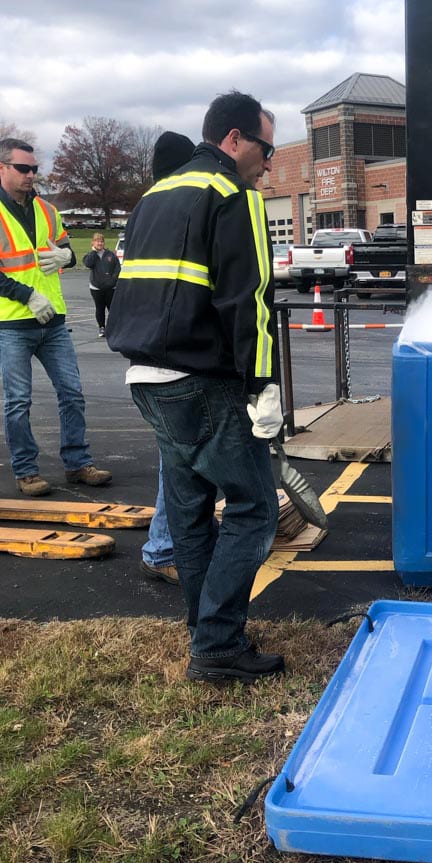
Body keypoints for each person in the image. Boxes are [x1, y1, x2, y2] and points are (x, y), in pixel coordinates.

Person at [107, 92, 284, 683]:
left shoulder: (154, 196)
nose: (268, 161)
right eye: (265, 147)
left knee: (188, 511)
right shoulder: (234, 195)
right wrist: (264, 386)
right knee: (255, 506)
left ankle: (204, 633)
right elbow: (247, 302)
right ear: (233, 140)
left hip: (147, 378)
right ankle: (216, 645)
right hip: (202, 380)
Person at [0, 137, 112, 497]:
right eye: (23, 168)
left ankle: (77, 463)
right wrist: (26, 295)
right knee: (18, 402)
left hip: (54, 321)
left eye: (34, 169)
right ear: (3, 168)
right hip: (12, 323)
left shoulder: (47, 210)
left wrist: (68, 257)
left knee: (72, 394)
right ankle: (26, 471)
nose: (31, 174)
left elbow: (65, 248)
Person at [138, 131, 196, 587]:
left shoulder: (146, 211)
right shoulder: (176, 212)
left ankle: (176, 538)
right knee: (176, 459)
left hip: (149, 358)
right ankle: (162, 547)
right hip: (170, 360)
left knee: (178, 457)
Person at [82, 232, 121, 336]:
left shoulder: (110, 255)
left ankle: (113, 327)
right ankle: (101, 327)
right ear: (93, 243)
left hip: (110, 287)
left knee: (112, 308)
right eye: (97, 241)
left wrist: (113, 280)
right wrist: (94, 252)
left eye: (101, 241)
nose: (100, 243)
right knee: (100, 308)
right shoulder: (90, 255)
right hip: (96, 288)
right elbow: (88, 264)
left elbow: (117, 268)